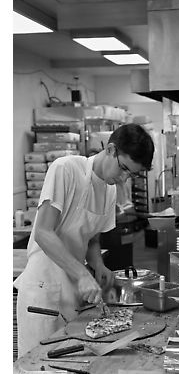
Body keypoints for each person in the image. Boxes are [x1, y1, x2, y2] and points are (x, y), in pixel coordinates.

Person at [14, 123, 154, 357]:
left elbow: (92, 239)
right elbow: (43, 232)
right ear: (110, 149)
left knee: (71, 366)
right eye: (123, 168)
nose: (123, 178)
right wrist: (82, 274)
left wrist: (98, 265)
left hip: (73, 292)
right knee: (38, 368)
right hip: (44, 290)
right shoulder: (66, 169)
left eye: (131, 174)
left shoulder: (109, 190)